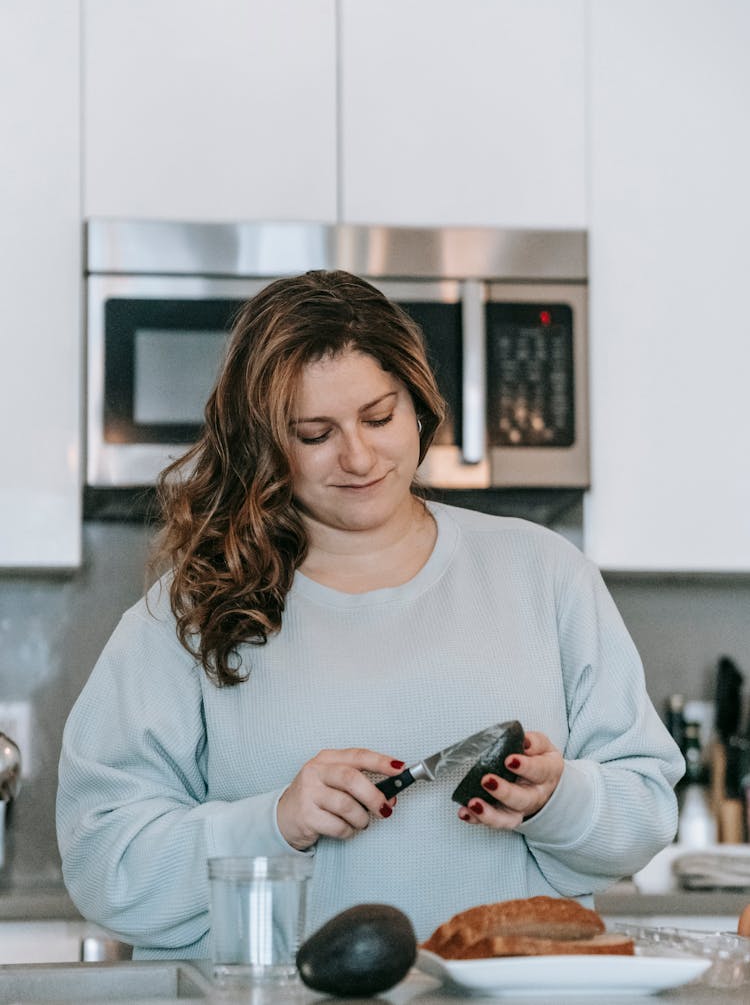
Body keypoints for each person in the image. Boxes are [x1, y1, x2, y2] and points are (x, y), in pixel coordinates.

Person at [56, 269, 684, 959]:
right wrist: (274, 820)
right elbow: (103, 859)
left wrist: (558, 797)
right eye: (314, 432)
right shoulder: (191, 608)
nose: (357, 456)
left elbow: (647, 808)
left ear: (417, 404)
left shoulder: (544, 573)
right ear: (266, 445)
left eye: (379, 416)